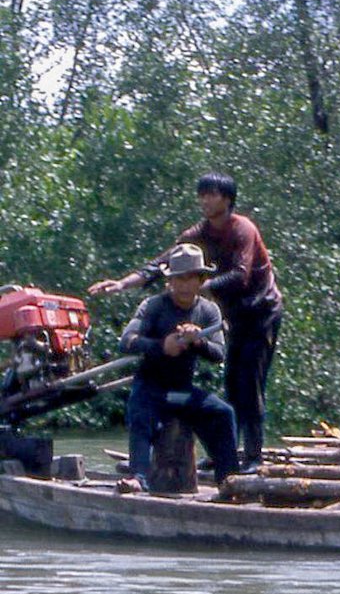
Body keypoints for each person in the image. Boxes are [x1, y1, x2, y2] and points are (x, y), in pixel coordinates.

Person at [91, 173, 283, 468]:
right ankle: (224, 452)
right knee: (231, 381)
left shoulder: (242, 228)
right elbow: (163, 263)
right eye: (202, 194)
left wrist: (197, 287)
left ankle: (254, 455)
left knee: (250, 382)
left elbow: (241, 275)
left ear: (227, 199)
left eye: (211, 194)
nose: (204, 200)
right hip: (233, 316)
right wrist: (122, 283)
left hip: (261, 312)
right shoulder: (199, 233)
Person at [116, 243, 240, 493]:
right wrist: (162, 346)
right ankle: (138, 477)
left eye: (191, 278)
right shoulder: (153, 306)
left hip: (182, 391)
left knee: (224, 413)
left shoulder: (208, 310)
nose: (184, 285)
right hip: (152, 389)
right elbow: (127, 342)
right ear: (170, 281)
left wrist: (198, 342)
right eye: (179, 279)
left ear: (201, 280)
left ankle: (229, 481)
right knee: (140, 414)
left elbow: (218, 354)